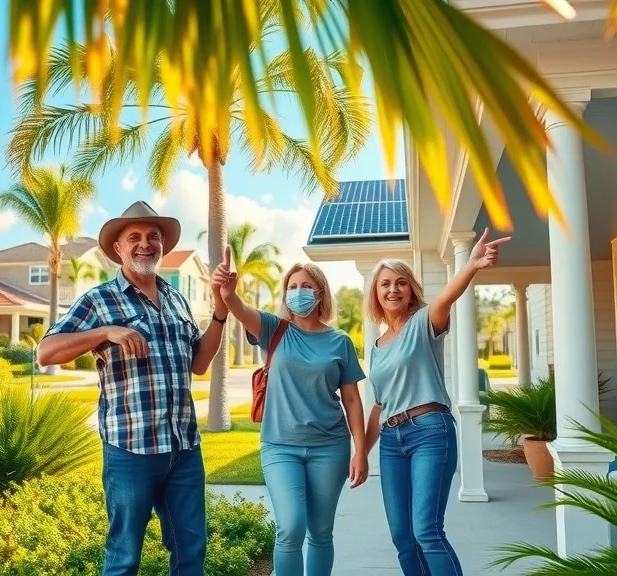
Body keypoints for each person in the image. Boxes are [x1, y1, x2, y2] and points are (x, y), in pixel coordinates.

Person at [38, 200, 228, 576]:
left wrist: (220, 311)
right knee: (125, 556)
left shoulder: (176, 299)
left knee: (192, 550)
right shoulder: (98, 300)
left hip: (183, 449)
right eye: (135, 237)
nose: (146, 244)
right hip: (131, 450)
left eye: (153, 237)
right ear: (118, 249)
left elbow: (200, 364)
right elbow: (46, 351)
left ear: (162, 246)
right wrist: (105, 331)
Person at [363, 228, 509, 575]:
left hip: (430, 431)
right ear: (376, 293)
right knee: (402, 536)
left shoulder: (424, 321)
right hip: (390, 439)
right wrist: (359, 453)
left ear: (411, 288)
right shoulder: (378, 347)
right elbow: (379, 405)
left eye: (400, 282)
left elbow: (446, 298)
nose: (393, 289)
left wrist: (471, 265)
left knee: (426, 530)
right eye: (385, 283)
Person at [213, 253, 368, 576]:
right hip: (280, 446)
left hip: (331, 447)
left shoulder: (340, 341)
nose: (298, 291)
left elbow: (352, 400)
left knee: (321, 532)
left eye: (306, 286)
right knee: (291, 528)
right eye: (292, 286)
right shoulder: (273, 328)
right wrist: (228, 292)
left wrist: (361, 451)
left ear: (320, 293)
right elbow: (238, 309)